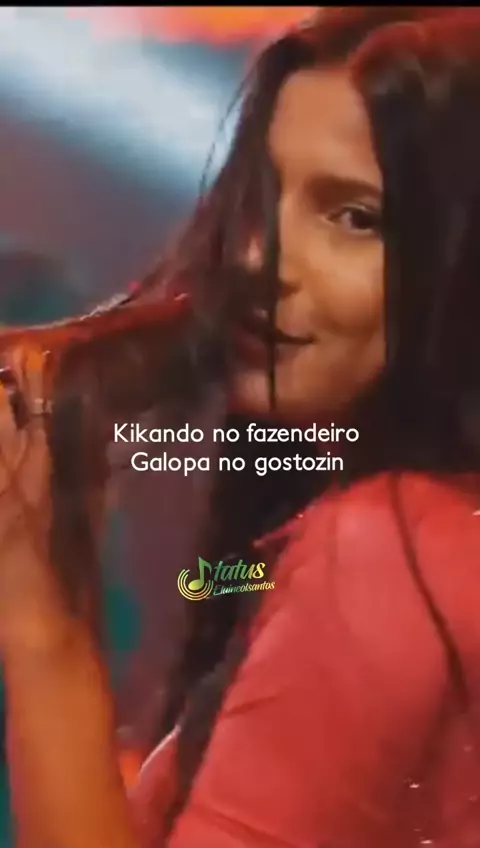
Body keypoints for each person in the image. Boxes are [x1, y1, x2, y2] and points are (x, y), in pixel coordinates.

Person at [2, 6, 480, 848]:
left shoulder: (384, 549)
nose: (258, 256)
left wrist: (39, 612)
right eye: (262, 197)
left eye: (354, 217)